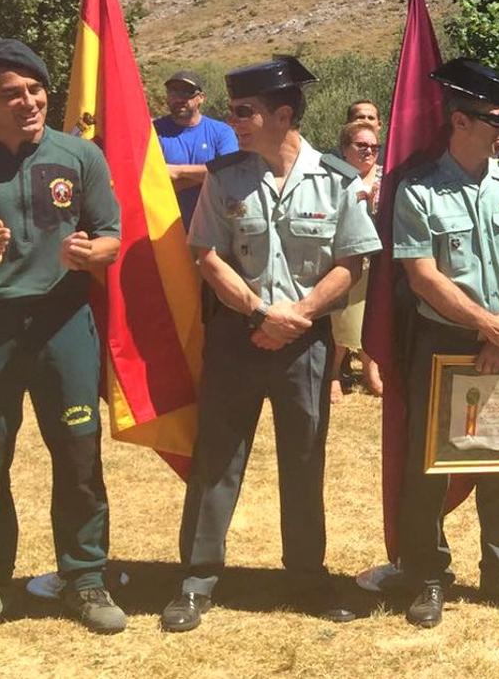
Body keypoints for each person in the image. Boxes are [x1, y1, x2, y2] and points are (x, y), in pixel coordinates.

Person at [161, 56, 382, 632]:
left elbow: (352, 261)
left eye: (244, 112)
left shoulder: (337, 179)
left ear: (283, 114)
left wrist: (299, 314)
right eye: (233, 111)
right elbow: (206, 255)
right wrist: (262, 310)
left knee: (305, 460)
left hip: (304, 343)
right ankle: (198, 578)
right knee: (218, 460)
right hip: (237, 336)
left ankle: (307, 578)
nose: (233, 120)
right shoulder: (225, 175)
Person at [391, 57, 499, 629]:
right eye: (496, 119)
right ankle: (427, 576)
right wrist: (489, 325)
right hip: (442, 341)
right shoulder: (420, 190)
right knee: (429, 466)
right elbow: (421, 276)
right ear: (460, 120)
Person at [0, 39, 126, 634]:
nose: (28, 101)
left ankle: (85, 578)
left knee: (78, 455)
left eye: (34, 89)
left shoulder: (80, 155)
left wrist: (90, 253)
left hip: (64, 325)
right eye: (11, 93)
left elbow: (110, 237)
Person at [329, 120, 384, 403]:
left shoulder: (387, 179)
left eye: (374, 147)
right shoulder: (331, 178)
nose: (368, 151)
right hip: (343, 259)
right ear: (345, 149)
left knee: (373, 317)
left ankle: (370, 372)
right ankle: (334, 374)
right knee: (342, 318)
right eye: (361, 145)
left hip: (378, 260)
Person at [153, 70, 238, 230]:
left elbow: (229, 174)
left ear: (201, 98)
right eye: (173, 92)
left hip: (215, 228)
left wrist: (178, 171)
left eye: (187, 93)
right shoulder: (154, 132)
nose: (178, 98)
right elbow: (151, 182)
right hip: (167, 232)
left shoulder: (221, 132)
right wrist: (209, 175)